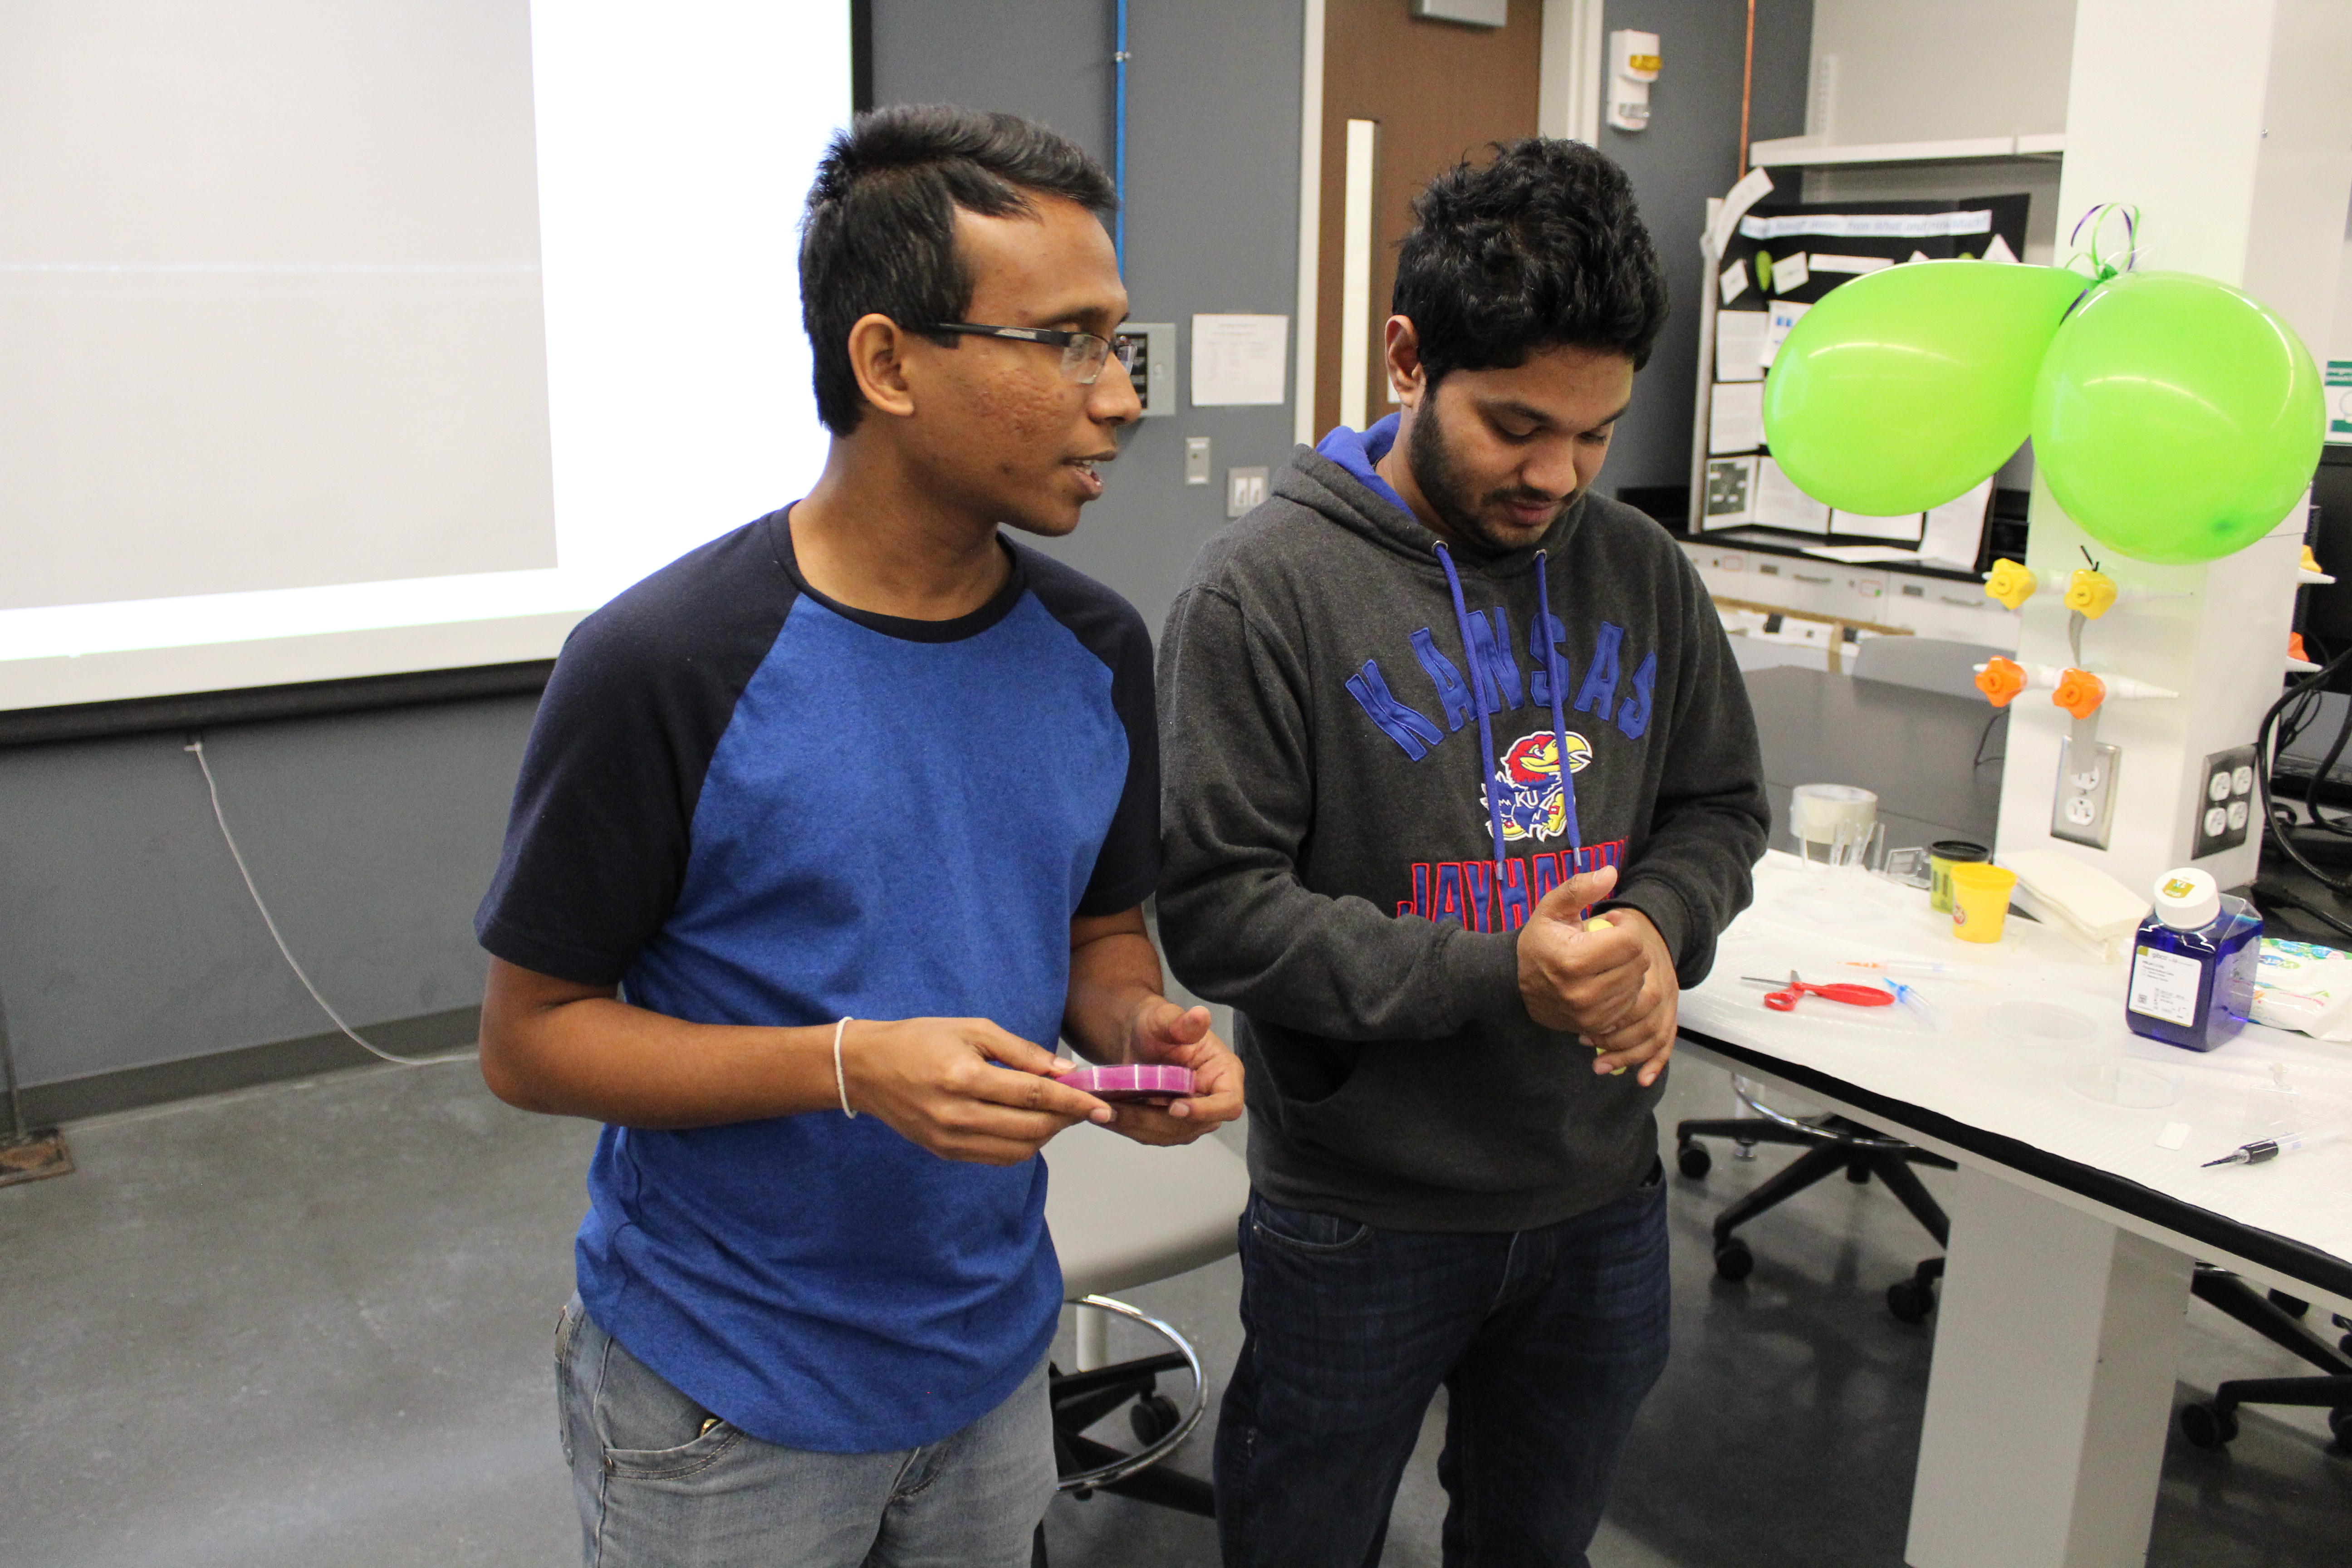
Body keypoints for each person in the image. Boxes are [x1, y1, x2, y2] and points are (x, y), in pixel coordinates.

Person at [473, 104, 1244, 1568]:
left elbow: (1096, 935)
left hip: (994, 1361)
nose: (1119, 398)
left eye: (1118, 340)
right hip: (724, 1405)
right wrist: (848, 1069)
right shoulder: (664, 663)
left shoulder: (1094, 648)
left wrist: (1142, 1027)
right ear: (886, 360)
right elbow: (531, 1042)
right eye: (1066, 341)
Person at [1156, 137, 1768, 1567]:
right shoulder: (1261, 594)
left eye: (1597, 432)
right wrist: (1513, 976)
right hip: (1362, 1217)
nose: (1558, 474)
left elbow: (1721, 807)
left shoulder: (1640, 572)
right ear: (1405, 356)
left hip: (1601, 1198)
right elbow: (1224, 915)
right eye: (1515, 426)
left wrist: (1657, 932)